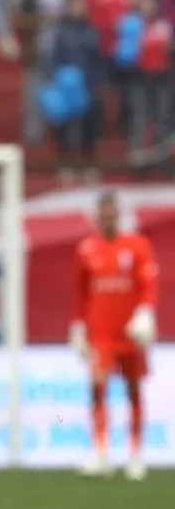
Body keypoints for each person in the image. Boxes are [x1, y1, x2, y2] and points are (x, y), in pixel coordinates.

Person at [70, 191, 158, 480]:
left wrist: (146, 312)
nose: (107, 218)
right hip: (101, 334)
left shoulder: (137, 246)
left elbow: (148, 285)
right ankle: (102, 451)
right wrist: (79, 326)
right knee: (98, 388)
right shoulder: (86, 250)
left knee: (133, 390)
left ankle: (135, 454)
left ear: (117, 215)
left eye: (111, 213)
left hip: (130, 333)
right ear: (97, 216)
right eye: (102, 213)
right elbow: (81, 293)